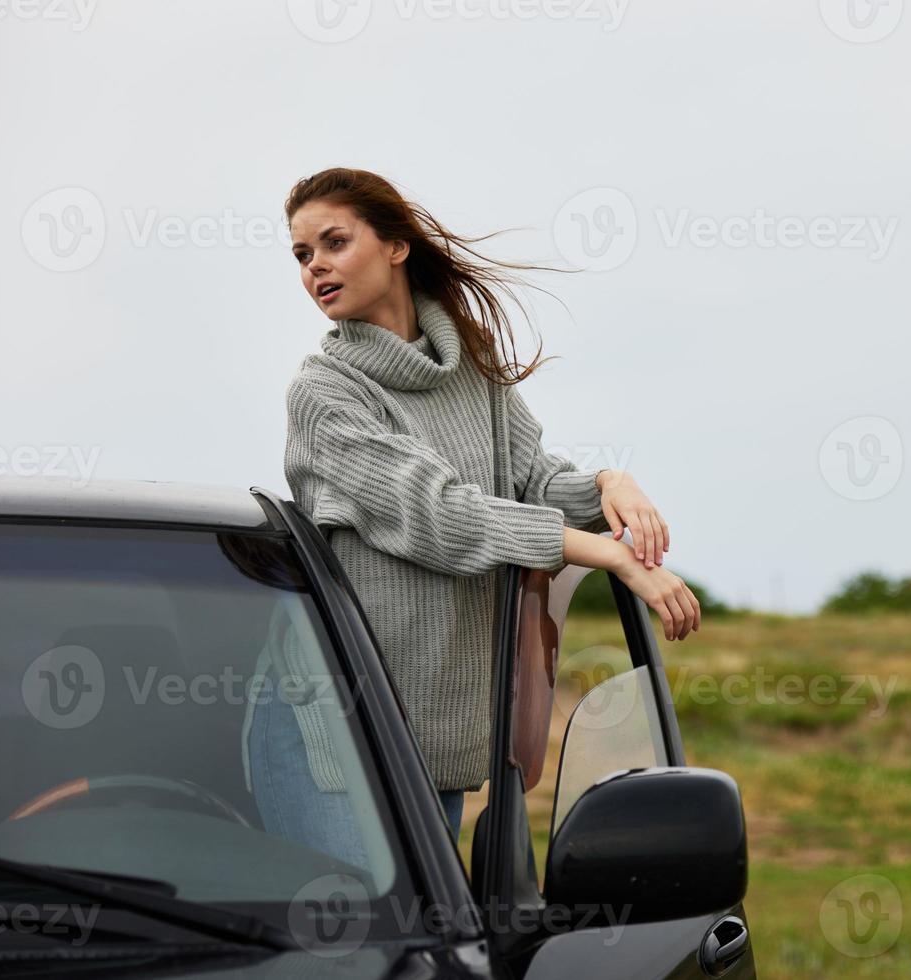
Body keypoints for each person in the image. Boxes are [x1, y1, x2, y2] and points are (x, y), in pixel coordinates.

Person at [248, 167, 701, 861]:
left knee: (425, 950)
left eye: (334, 243)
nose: (316, 268)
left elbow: (532, 479)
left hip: (438, 723)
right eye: (303, 255)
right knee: (354, 951)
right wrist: (606, 554)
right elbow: (443, 518)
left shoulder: (472, 369)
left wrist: (613, 483)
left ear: (396, 245)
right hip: (333, 729)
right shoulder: (324, 393)